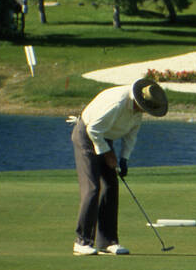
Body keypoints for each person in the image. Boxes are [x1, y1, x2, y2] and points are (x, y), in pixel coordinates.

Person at [71, 78, 168, 255]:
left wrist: (124, 159)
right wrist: (107, 154)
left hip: (104, 137)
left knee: (111, 186)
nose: (145, 112)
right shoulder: (117, 103)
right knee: (93, 188)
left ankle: (107, 241)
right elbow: (93, 130)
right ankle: (82, 241)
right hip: (86, 135)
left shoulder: (138, 112)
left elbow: (131, 136)